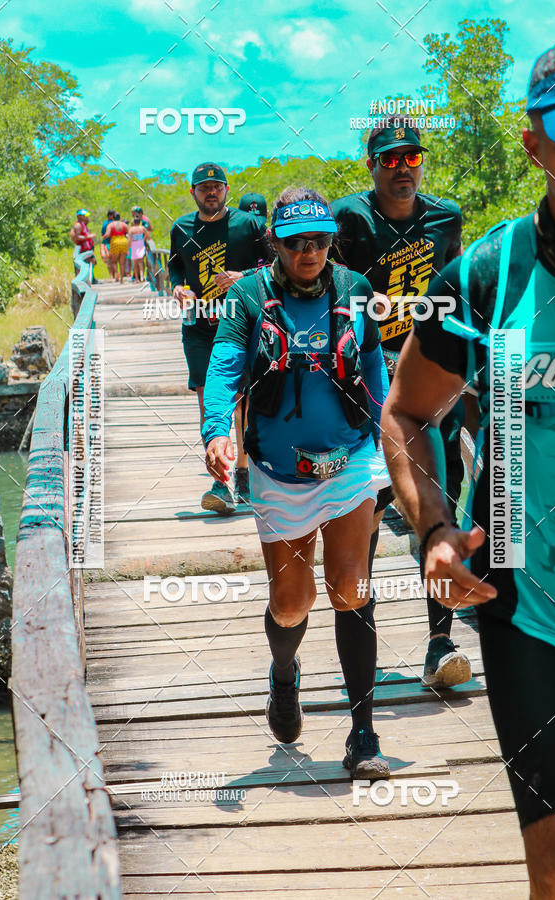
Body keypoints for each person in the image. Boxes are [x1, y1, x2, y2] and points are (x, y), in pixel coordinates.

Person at [380, 35, 555, 897]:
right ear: (532, 142)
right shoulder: (485, 276)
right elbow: (404, 412)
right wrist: (433, 528)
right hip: (538, 620)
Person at [202, 187, 392, 778]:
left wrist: (393, 437)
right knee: (291, 604)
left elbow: (372, 371)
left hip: (349, 460)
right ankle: (284, 675)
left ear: (331, 242)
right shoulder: (245, 299)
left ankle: (363, 735)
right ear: (275, 243)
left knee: (350, 588)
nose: (308, 252)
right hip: (278, 472)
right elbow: (224, 369)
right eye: (295, 242)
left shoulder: (357, 292)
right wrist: (215, 432)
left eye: (319, 241)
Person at [332, 119, 469, 689]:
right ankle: (361, 654)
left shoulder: (446, 218)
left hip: (432, 375)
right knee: (368, 508)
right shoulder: (349, 219)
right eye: (390, 159)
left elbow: (459, 297)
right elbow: (328, 292)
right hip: (368, 374)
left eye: (412, 157)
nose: (403, 167)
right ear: (371, 164)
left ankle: (441, 643)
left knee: (438, 505)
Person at [169, 162, 272, 514]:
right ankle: (221, 481)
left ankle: (243, 474)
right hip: (199, 327)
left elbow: (275, 265)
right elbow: (175, 266)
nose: (211, 191)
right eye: (203, 187)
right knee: (208, 403)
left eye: (217, 186)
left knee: (242, 403)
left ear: (227, 189)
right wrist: (179, 289)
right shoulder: (181, 228)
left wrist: (243, 276)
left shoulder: (251, 225)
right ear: (193, 192)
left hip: (241, 324)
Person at [104, 214, 129, 283]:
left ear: (113, 218)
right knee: (122, 262)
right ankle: (122, 279)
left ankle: (117, 273)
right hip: (124, 241)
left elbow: (108, 234)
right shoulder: (124, 224)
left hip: (115, 242)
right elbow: (129, 232)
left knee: (114, 261)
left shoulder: (111, 225)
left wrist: (104, 237)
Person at [128, 207, 149, 282]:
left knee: (135, 263)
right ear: (139, 222)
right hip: (140, 244)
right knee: (141, 262)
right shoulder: (142, 228)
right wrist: (143, 239)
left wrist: (128, 247)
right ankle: (142, 277)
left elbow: (129, 239)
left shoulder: (131, 229)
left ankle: (136, 278)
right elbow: (148, 235)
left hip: (134, 245)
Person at [101, 209, 116, 279]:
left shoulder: (104, 223)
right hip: (112, 243)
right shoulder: (114, 223)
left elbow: (102, 233)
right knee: (114, 261)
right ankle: (115, 275)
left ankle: (111, 275)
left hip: (106, 243)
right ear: (110, 215)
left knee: (109, 261)